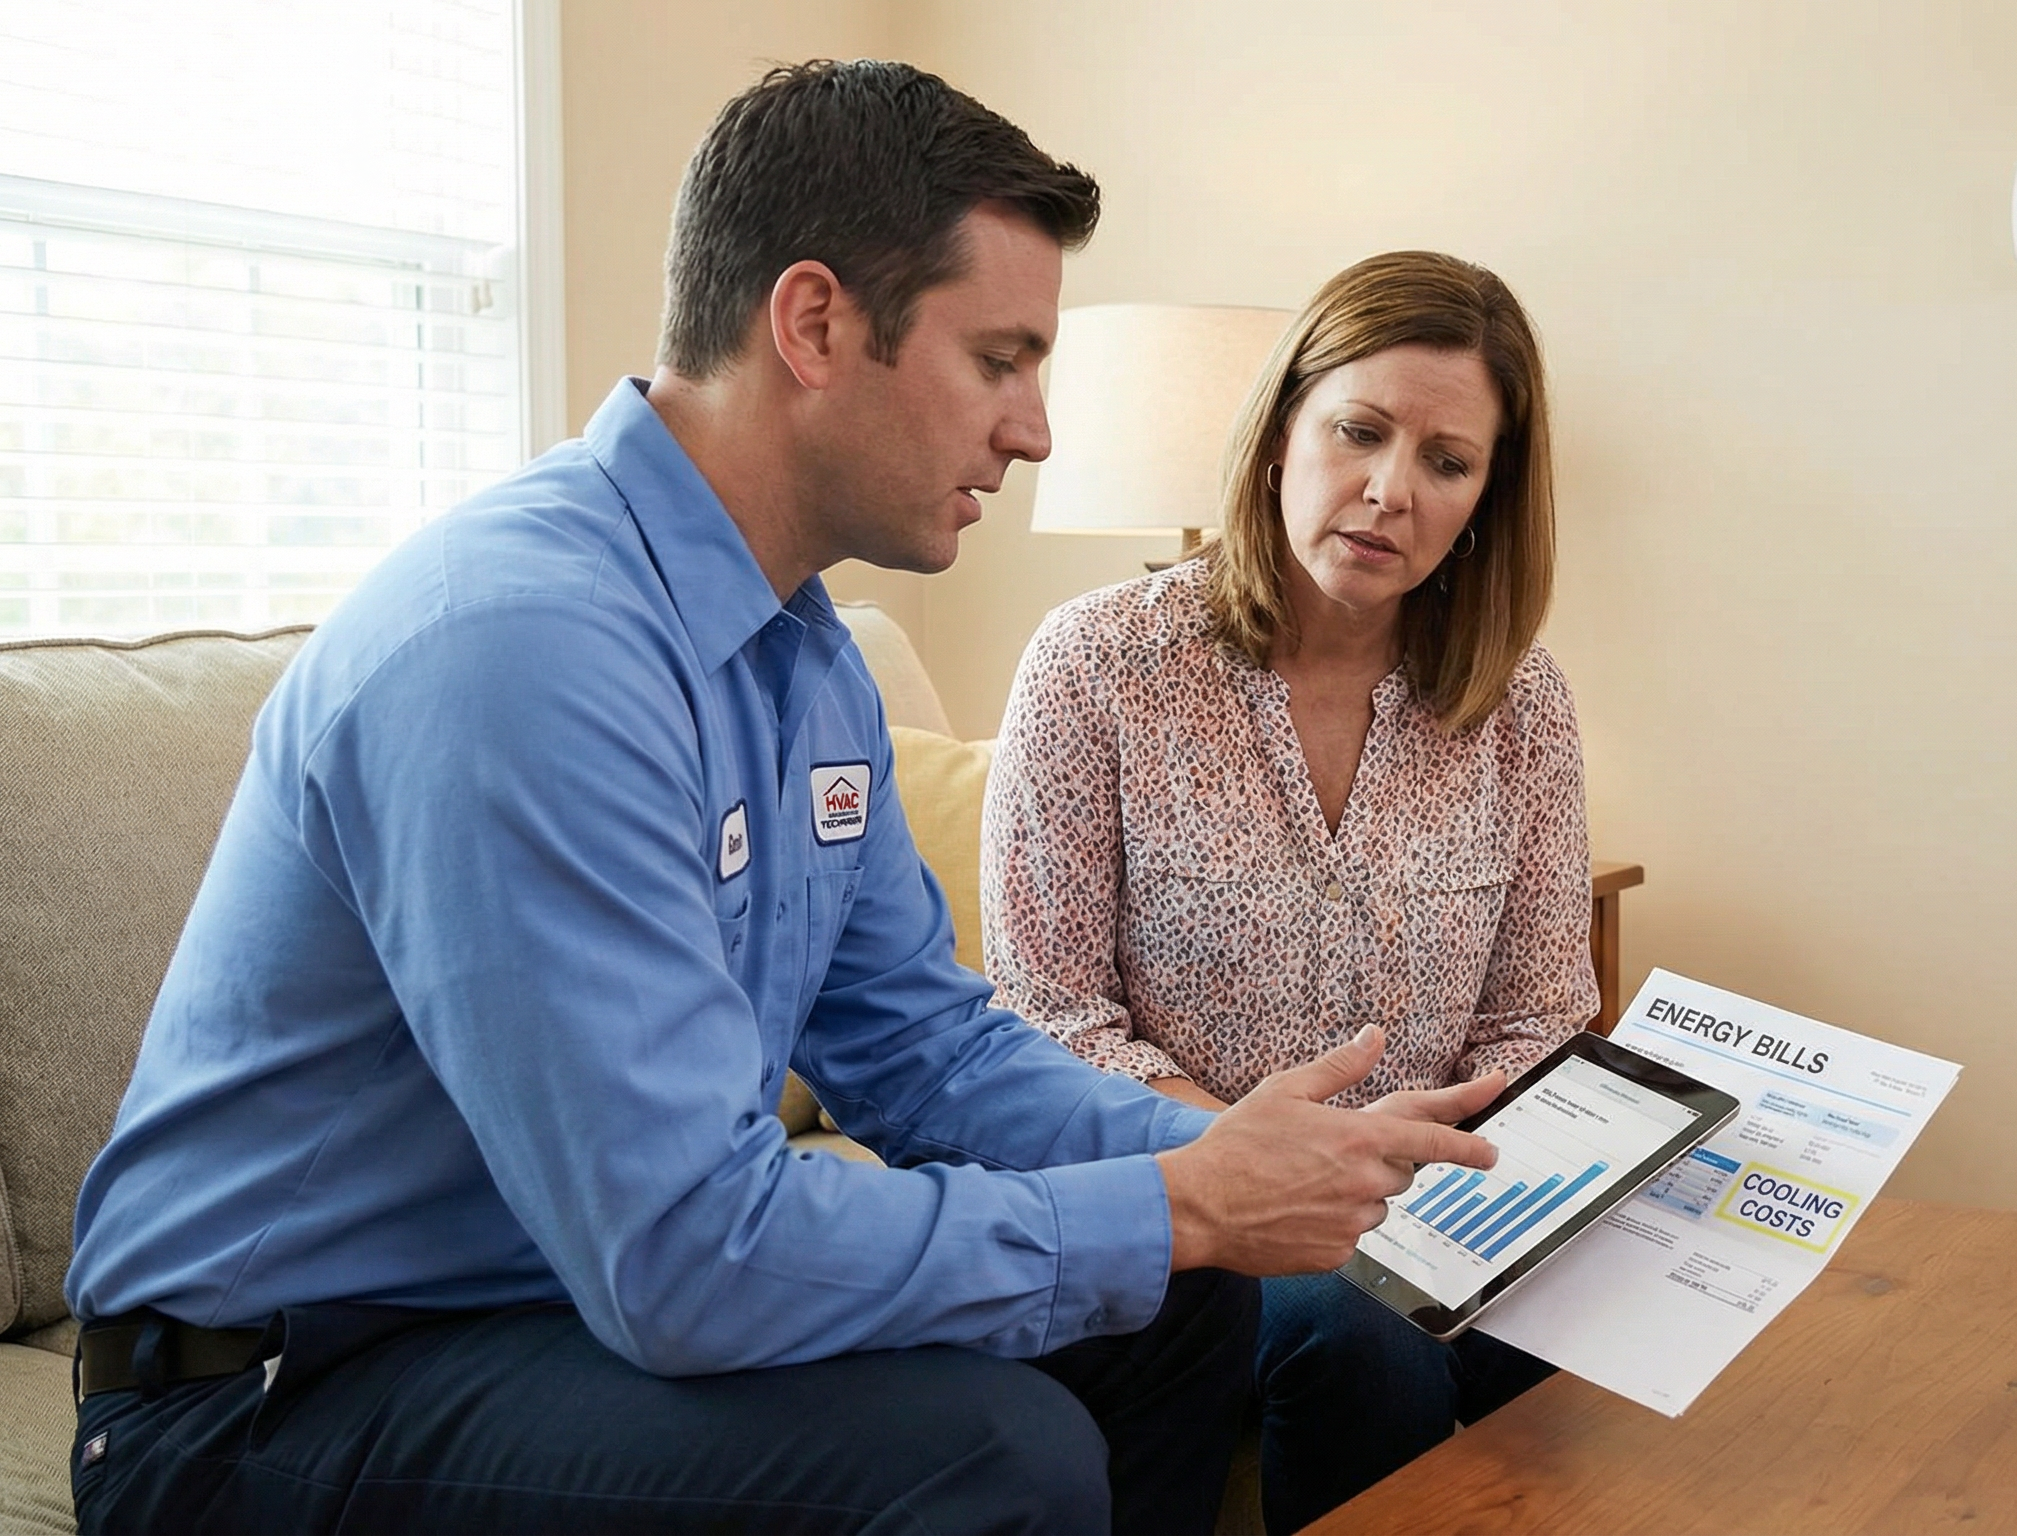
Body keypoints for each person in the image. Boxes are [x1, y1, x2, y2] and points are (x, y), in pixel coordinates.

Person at [61, 61, 1504, 1536]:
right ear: (816, 324)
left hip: (546, 1308)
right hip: (264, 1397)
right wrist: (1181, 1204)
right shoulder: (521, 650)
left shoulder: (803, 655)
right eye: (999, 360)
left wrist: (1214, 1161)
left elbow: (927, 1053)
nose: (1036, 431)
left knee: (1179, 1310)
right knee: (997, 1451)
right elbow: (689, 1255)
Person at [983, 249, 1597, 1533]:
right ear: (1278, 436)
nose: (1389, 493)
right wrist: (1270, 1156)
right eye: (1359, 432)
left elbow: (1542, 1010)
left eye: (1446, 460)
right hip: (1194, 1195)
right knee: (1358, 1338)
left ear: (1488, 494)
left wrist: (1426, 1175)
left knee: (1617, 1326)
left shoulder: (1519, 701)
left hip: (1445, 1201)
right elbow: (1045, 1008)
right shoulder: (1099, 662)